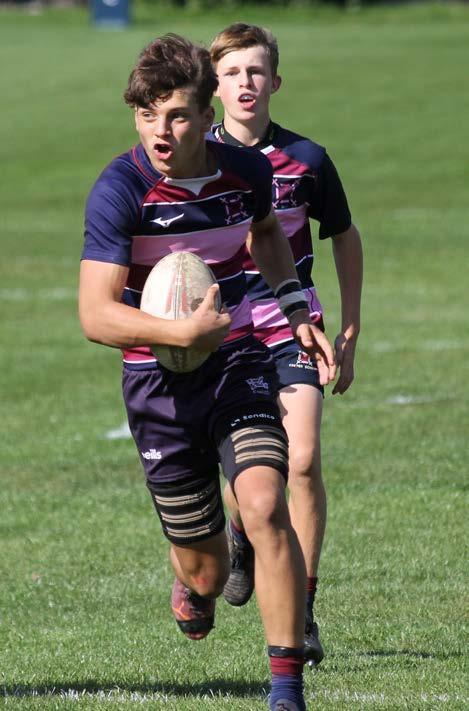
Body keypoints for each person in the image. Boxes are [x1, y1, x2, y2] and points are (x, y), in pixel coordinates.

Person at [79, 33, 336, 711]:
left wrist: (293, 306)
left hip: (237, 360)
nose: (160, 132)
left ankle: (286, 691)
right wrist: (179, 333)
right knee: (207, 571)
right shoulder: (121, 189)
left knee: (265, 504)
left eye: (176, 116)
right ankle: (198, 576)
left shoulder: (245, 172)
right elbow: (96, 314)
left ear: (205, 111)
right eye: (146, 115)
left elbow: (266, 233)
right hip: (156, 384)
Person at [210, 23, 363, 666]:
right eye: (232, 72)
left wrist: (350, 326)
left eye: (256, 71)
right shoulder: (195, 160)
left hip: (293, 326)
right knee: (246, 477)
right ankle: (241, 531)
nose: (245, 82)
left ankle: (303, 607)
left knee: (301, 461)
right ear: (214, 86)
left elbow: (344, 234)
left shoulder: (308, 158)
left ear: (275, 80)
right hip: (222, 333)